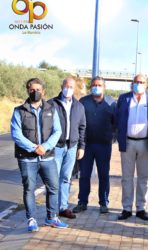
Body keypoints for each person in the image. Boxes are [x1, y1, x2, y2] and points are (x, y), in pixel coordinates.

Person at [11, 78, 68, 232]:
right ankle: (31, 220)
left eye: (38, 89)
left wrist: (45, 146)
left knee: (54, 188)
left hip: (48, 157)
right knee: (29, 189)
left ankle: (51, 218)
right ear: (27, 90)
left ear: (43, 91)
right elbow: (16, 134)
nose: (35, 92)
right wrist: (33, 148)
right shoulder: (19, 111)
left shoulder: (51, 109)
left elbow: (57, 131)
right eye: (32, 89)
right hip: (27, 158)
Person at [115, 74, 148, 221]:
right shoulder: (123, 98)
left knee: (143, 177)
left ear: (146, 84)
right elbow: (117, 118)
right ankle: (126, 208)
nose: (139, 84)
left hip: (145, 143)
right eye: (136, 82)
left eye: (141, 82)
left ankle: (141, 208)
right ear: (132, 83)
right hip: (128, 142)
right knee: (126, 177)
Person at [73, 76, 116, 214]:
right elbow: (78, 123)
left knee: (104, 175)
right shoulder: (83, 102)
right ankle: (82, 202)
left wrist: (111, 138)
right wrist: (80, 144)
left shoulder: (111, 103)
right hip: (86, 145)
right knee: (84, 175)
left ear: (104, 87)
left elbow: (116, 123)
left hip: (104, 146)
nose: (96, 87)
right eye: (94, 85)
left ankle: (104, 202)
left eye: (99, 85)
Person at [49, 77, 86, 219]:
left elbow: (83, 128)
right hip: (56, 147)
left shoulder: (79, 106)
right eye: (66, 86)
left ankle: (63, 208)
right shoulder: (51, 104)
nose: (68, 89)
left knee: (66, 178)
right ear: (61, 86)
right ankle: (52, 209)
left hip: (72, 147)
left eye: (71, 87)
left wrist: (81, 147)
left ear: (74, 89)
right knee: (53, 178)